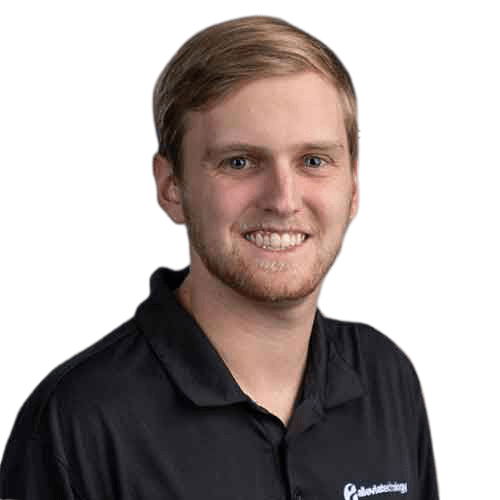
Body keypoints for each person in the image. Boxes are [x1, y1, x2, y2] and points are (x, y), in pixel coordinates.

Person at [0, 14, 440, 500]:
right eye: (240, 162)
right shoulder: (77, 419)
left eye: (313, 161)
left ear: (354, 187)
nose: (283, 199)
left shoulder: (386, 377)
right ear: (171, 187)